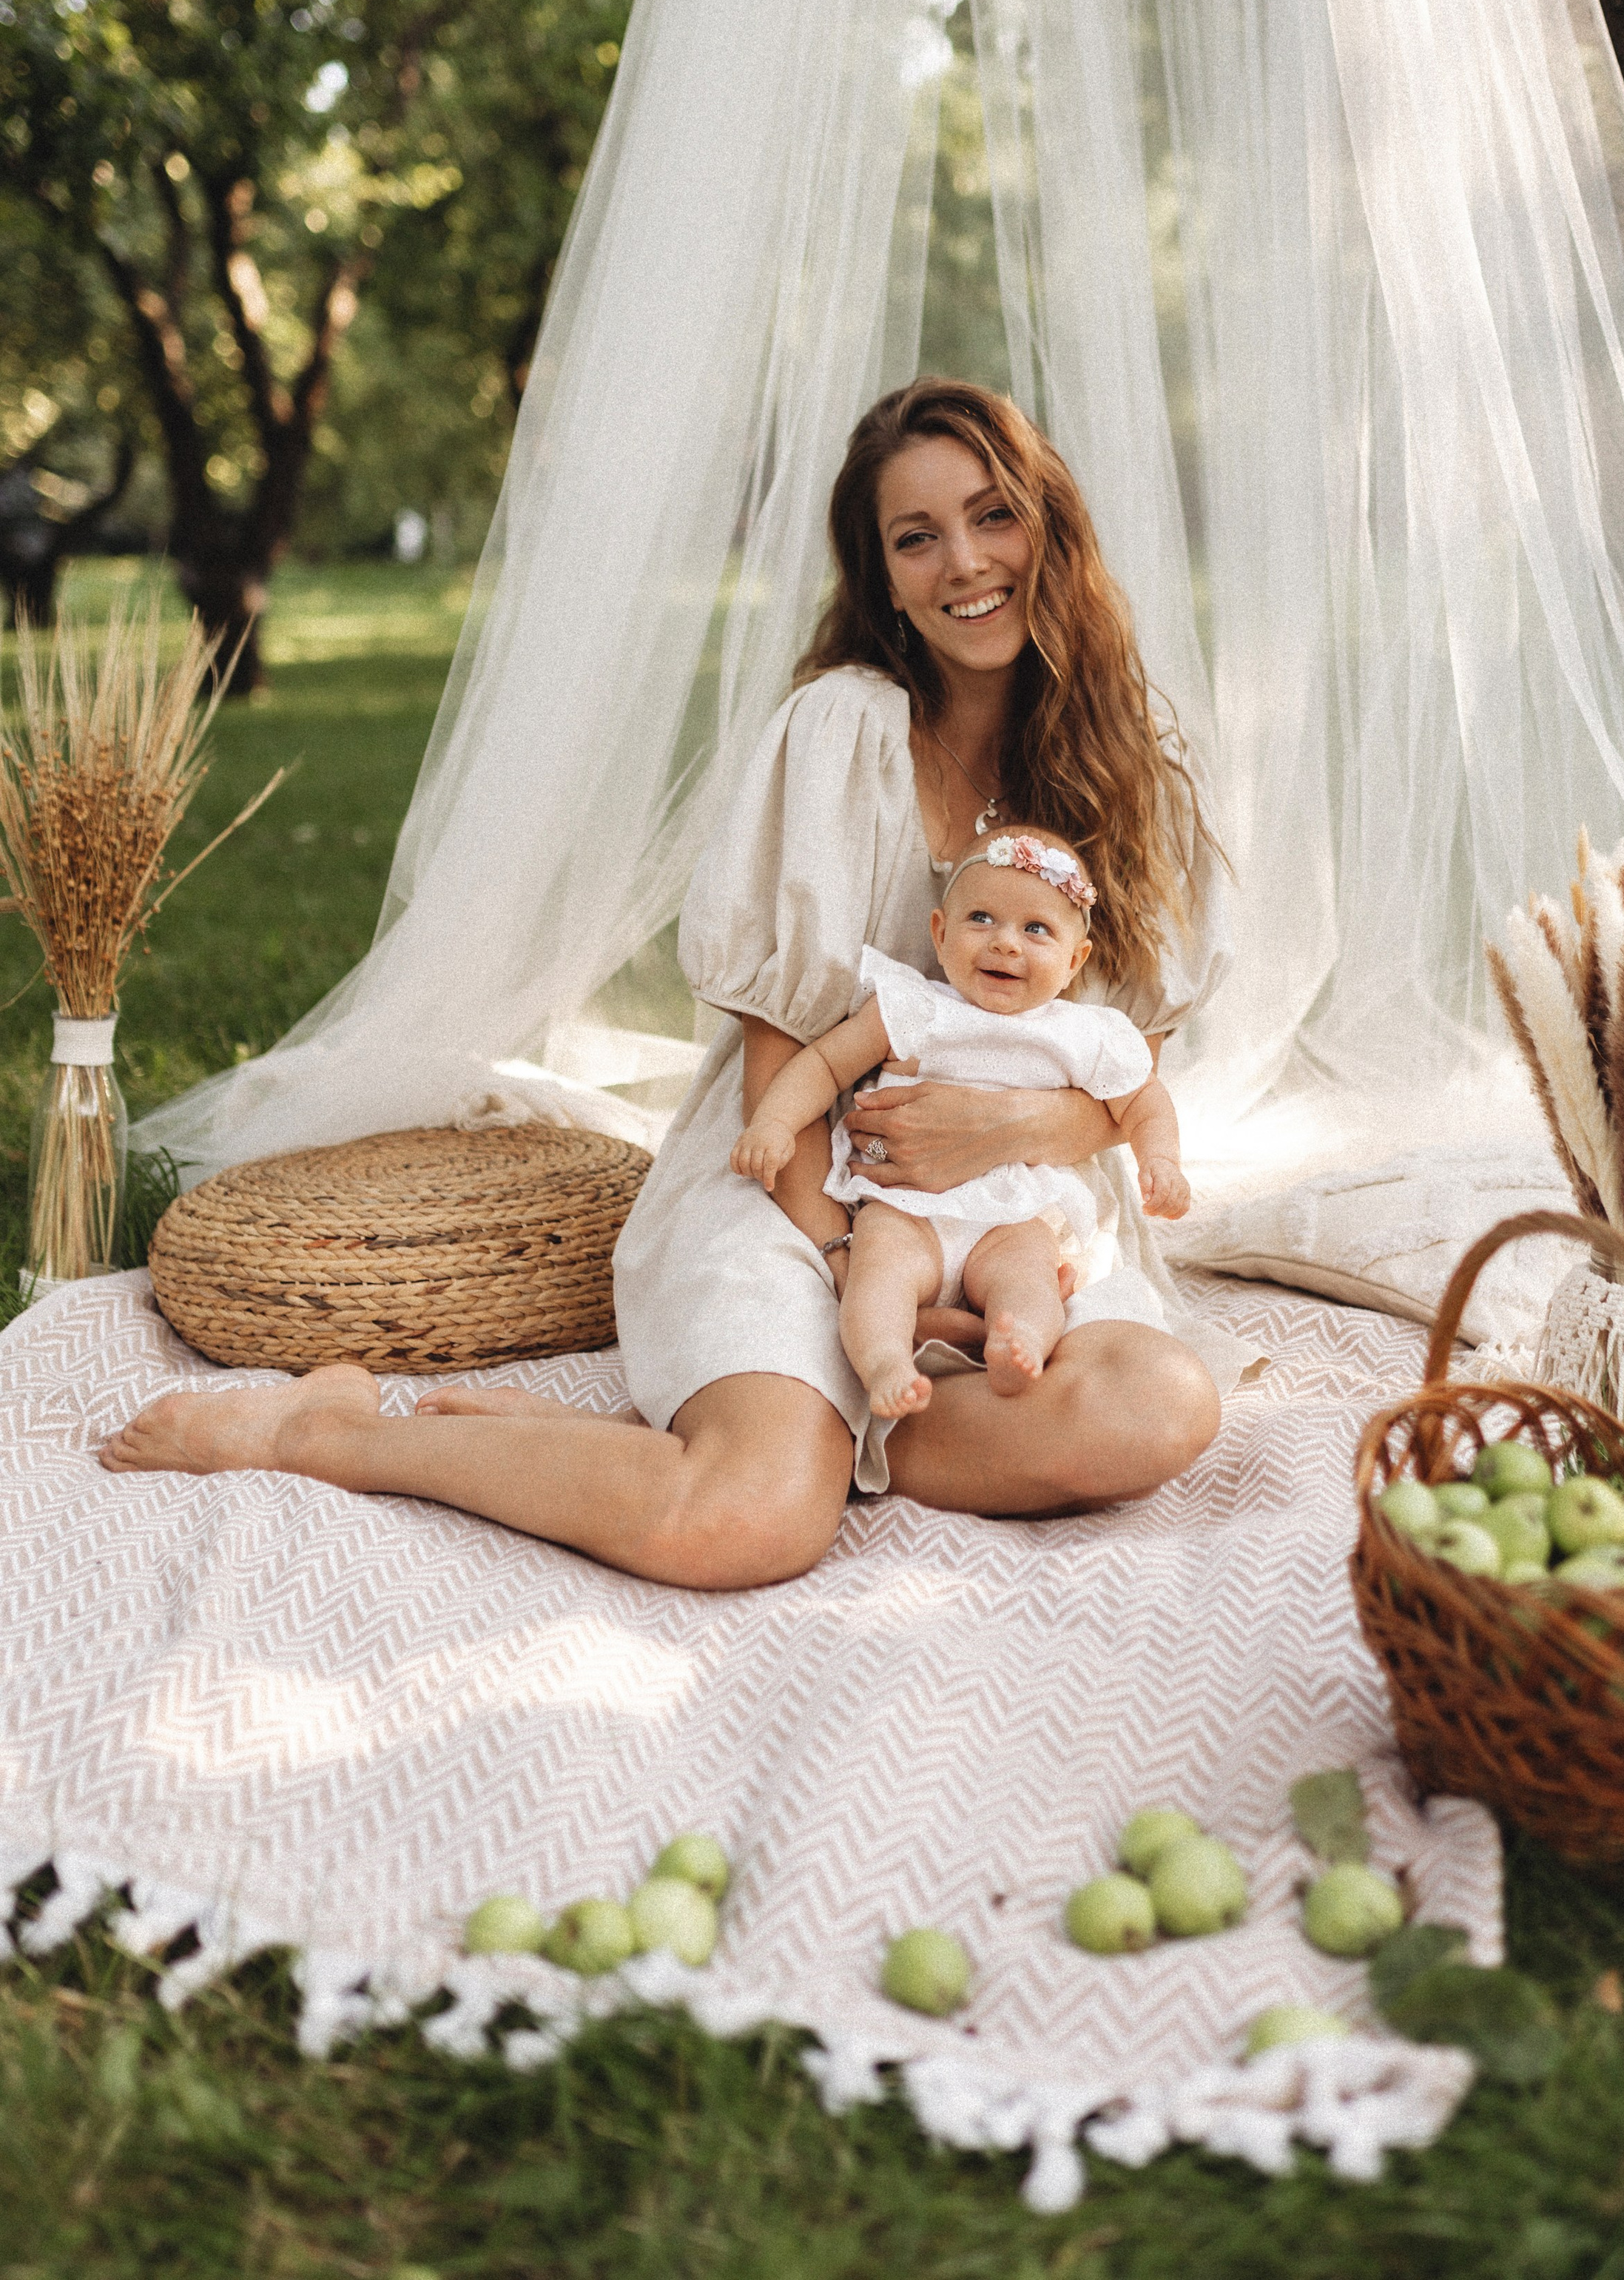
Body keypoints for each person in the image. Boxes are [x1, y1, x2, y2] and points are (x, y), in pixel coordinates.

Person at [100, 378, 1230, 1589]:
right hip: (797, 1187)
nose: (965, 560)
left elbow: (1131, 1071)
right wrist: (863, 1270)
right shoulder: (843, 731)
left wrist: (1002, 1134)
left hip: (1022, 1221)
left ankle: (766, 1429)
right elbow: (769, 1071)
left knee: (1159, 1410)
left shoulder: (1118, 765)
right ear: (885, 581)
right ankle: (338, 1435)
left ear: (1048, 523)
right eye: (917, 537)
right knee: (745, 1524)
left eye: (993, 515)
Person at [732, 829, 1190, 1418]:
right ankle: (884, 1363)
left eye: (1036, 929)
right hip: (905, 1212)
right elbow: (821, 1064)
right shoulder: (914, 1009)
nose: (1005, 944)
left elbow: (1145, 1101)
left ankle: (1017, 1340)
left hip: (1010, 1219)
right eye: (982, 918)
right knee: (879, 1275)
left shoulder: (1084, 1034)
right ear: (940, 934)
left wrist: (1161, 1160)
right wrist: (773, 1123)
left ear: (1076, 960)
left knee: (1033, 1280)